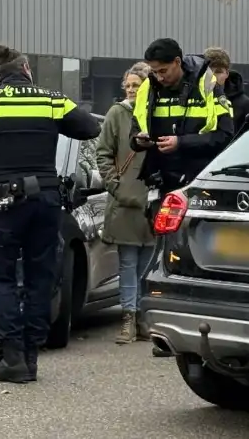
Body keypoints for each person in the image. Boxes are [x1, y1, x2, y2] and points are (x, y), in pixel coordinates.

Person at [0, 45, 100, 384]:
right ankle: (31, 358)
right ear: (27, 68)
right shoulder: (51, 99)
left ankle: (13, 358)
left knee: (2, 279)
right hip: (46, 201)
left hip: (5, 203)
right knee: (40, 279)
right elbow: (90, 128)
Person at [131, 39, 235, 356]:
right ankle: (168, 334)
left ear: (178, 62)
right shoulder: (150, 87)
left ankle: (210, 332)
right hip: (163, 185)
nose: (159, 77)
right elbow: (135, 132)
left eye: (163, 71)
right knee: (166, 259)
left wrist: (182, 142)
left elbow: (224, 135)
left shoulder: (206, 84)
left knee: (202, 260)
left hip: (199, 186)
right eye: (154, 72)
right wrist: (140, 140)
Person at [95, 63, 156, 345]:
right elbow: (103, 152)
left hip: (155, 199)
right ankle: (128, 318)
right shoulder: (117, 113)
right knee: (128, 263)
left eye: (137, 85)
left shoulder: (157, 112)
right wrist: (114, 185)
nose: (131, 90)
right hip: (126, 199)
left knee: (148, 264)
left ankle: (144, 317)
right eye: (128, 85)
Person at [203, 46, 249, 133]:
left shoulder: (244, 105)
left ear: (227, 73)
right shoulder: (193, 99)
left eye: (218, 71)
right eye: (209, 71)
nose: (213, 76)